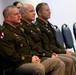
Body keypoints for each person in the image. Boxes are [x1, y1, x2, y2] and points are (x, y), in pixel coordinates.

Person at [18, 4, 74, 75]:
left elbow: (47, 42)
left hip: (44, 53)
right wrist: (50, 54)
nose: (34, 13)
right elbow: (33, 46)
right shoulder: (23, 28)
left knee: (70, 58)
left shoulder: (34, 26)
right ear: (23, 14)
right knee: (66, 61)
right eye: (31, 11)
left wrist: (63, 50)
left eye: (34, 11)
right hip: (38, 56)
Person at [0, 5, 46, 75]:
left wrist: (34, 57)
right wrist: (30, 59)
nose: (19, 16)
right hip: (15, 66)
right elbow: (11, 56)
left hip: (26, 60)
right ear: (7, 17)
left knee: (57, 63)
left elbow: (28, 47)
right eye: (16, 14)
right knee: (39, 68)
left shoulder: (18, 29)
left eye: (19, 13)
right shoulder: (4, 33)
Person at [35, 2, 76, 75]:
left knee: (74, 56)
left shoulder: (47, 24)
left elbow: (55, 41)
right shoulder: (39, 26)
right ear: (40, 12)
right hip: (51, 52)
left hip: (56, 50)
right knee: (70, 60)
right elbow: (48, 45)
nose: (49, 12)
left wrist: (64, 49)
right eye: (47, 10)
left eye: (49, 10)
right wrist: (61, 51)